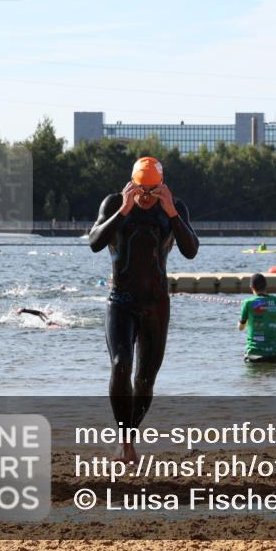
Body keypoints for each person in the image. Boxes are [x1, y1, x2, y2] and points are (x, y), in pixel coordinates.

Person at [89, 156, 199, 462]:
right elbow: (94, 242)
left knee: (146, 379)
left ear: (162, 185)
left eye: (153, 190)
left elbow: (191, 250)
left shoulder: (173, 207)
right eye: (142, 190)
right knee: (120, 364)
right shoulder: (114, 203)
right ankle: (124, 442)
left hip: (156, 305)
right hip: (121, 302)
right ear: (132, 185)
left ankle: (130, 437)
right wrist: (124, 210)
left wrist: (172, 212)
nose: (147, 197)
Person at [238, 273, 276, 364]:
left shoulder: (248, 303)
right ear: (266, 286)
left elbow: (240, 328)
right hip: (274, 352)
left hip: (254, 352)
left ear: (251, 287)